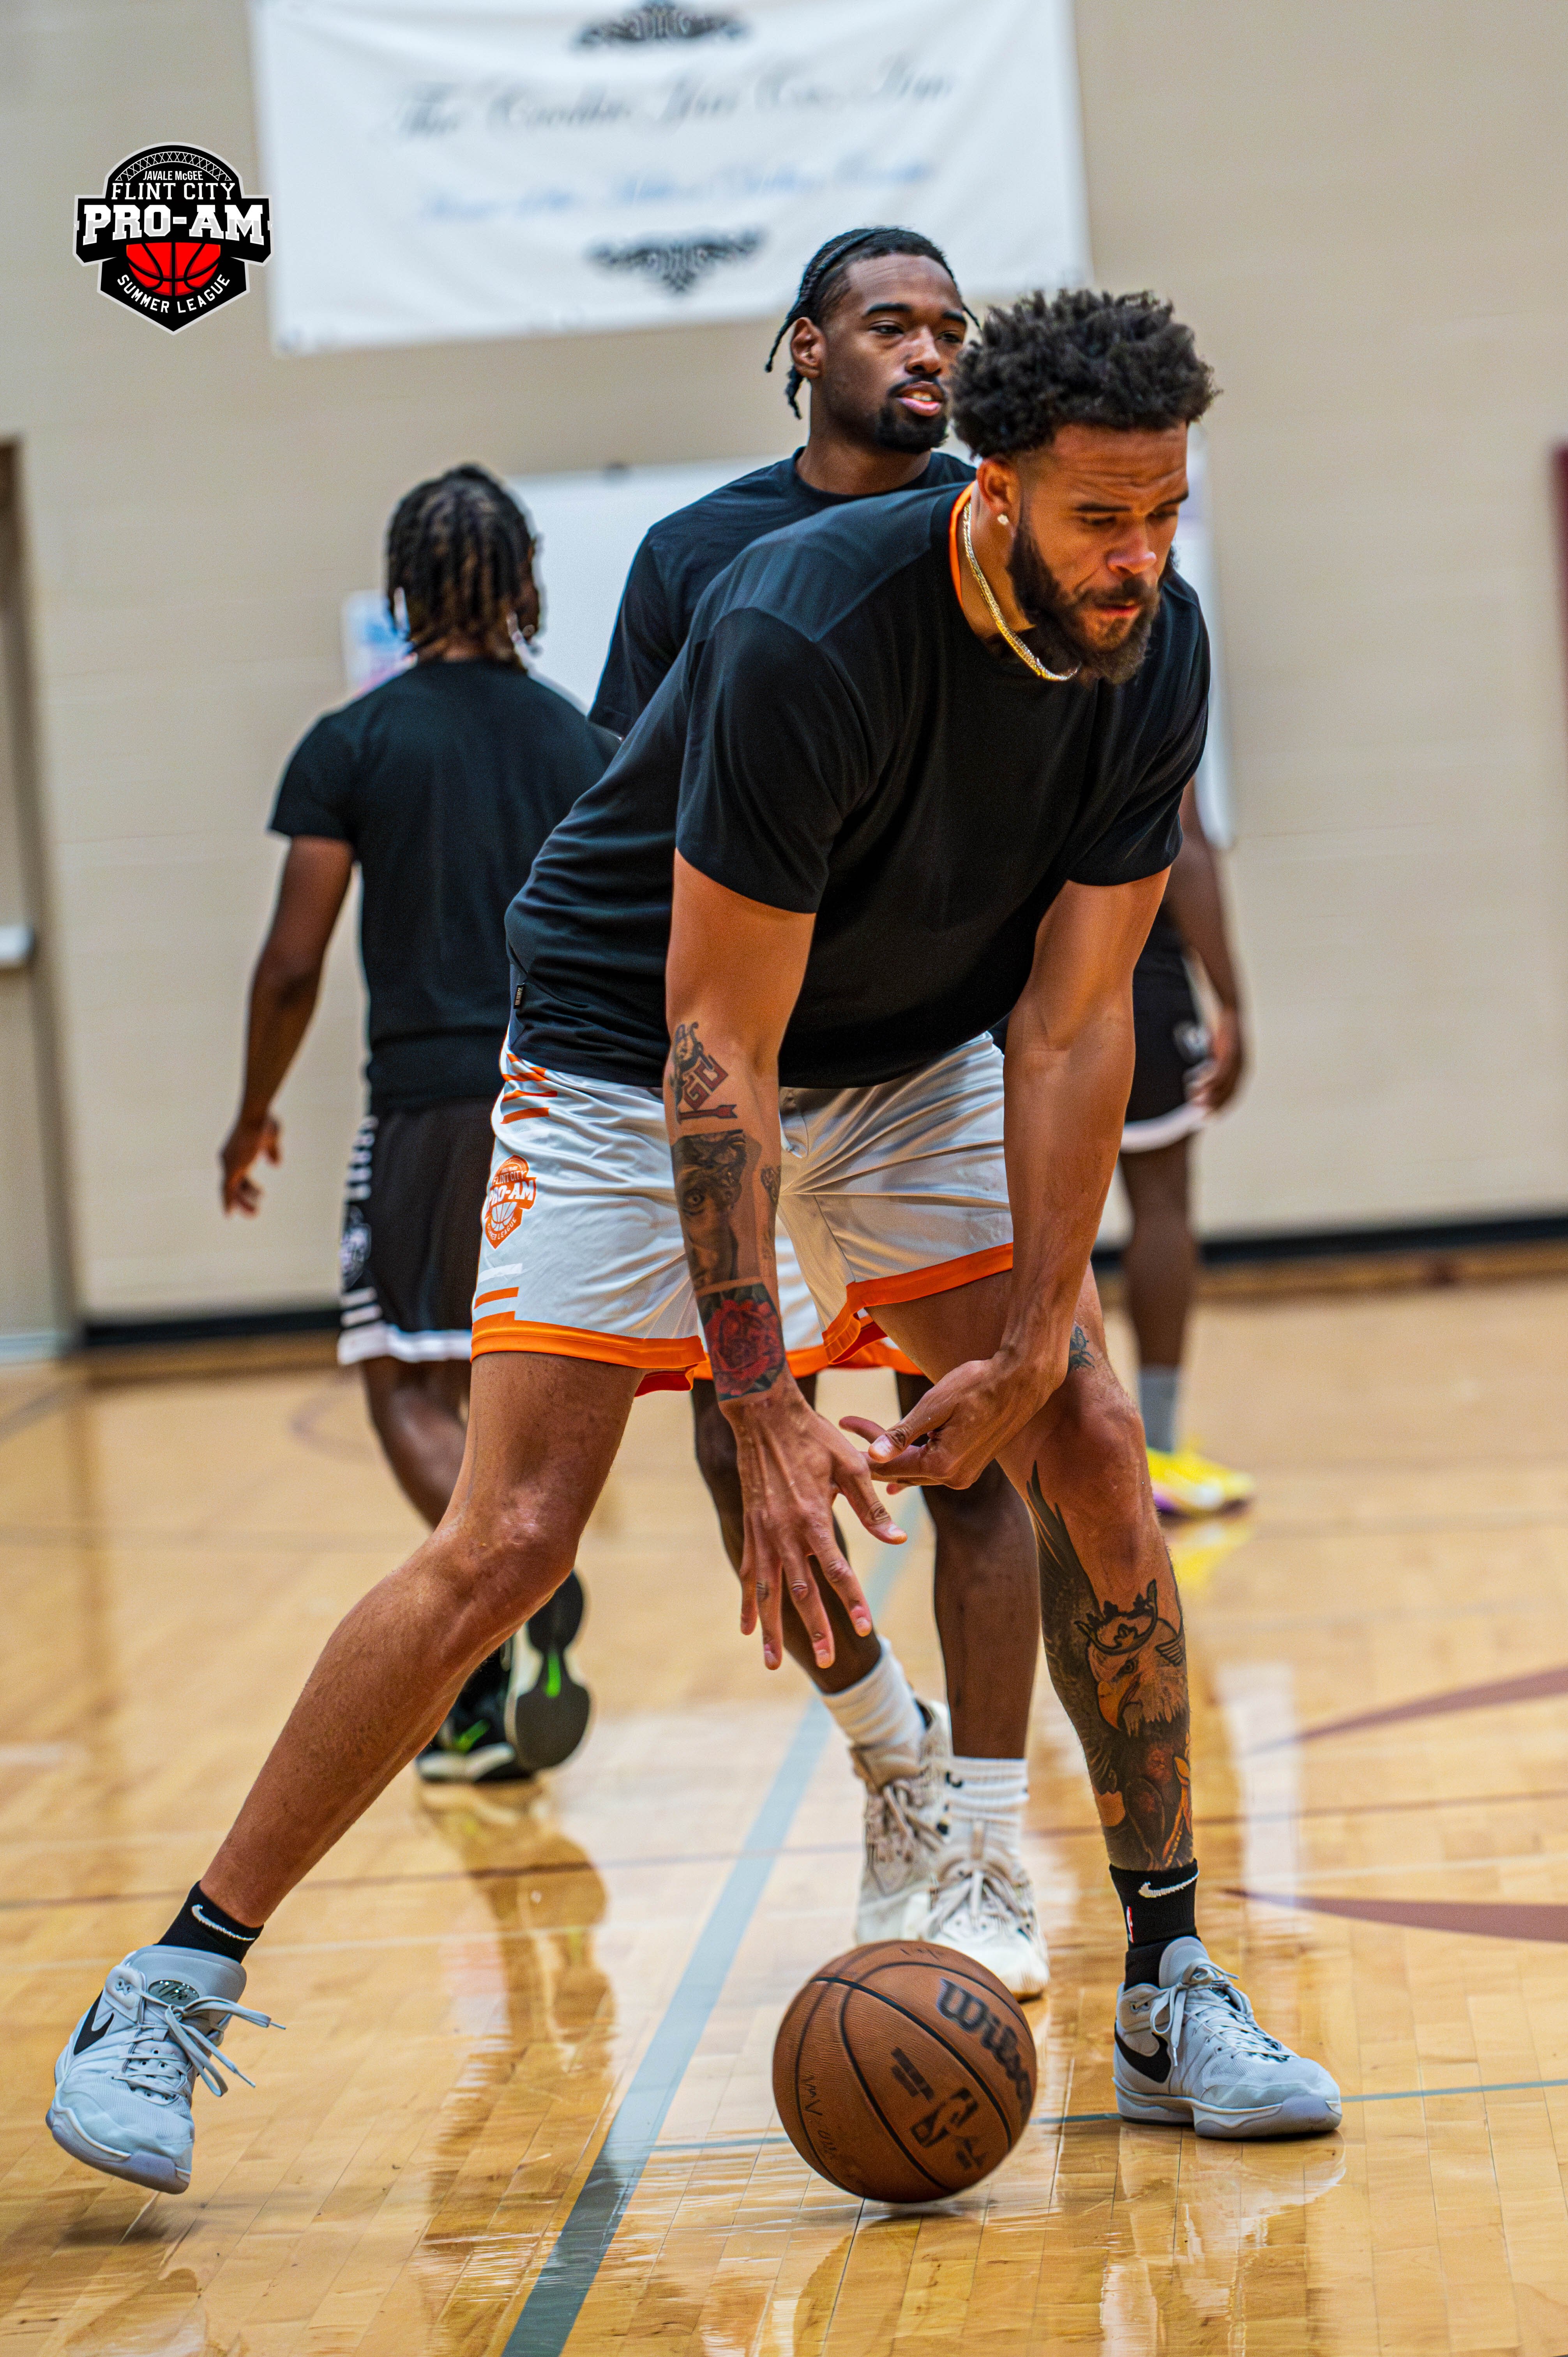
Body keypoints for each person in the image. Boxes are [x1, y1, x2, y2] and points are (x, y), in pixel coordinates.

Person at [48, 289, 1340, 2201]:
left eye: (1163, 512)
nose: (1137, 557)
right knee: (508, 1539)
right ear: (993, 489)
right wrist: (759, 1412)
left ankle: (1167, 1981)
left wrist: (1038, 1334)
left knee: (1082, 1443)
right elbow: (713, 1048)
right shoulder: (804, 625)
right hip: (621, 1040)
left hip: (911, 1056)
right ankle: (172, 1977)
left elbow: (1070, 1025)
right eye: (1098, 518)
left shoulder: (1153, 650)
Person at [592, 226, 1043, 1987]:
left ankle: (991, 1851)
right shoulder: (696, 556)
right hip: (745, 1068)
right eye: (886, 324)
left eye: (949, 327)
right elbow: (635, 830)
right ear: (801, 350)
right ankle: (892, 1769)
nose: (925, 352)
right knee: (737, 1435)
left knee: (978, 1436)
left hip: (925, 1055)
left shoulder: (987, 534)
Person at [218, 464, 606, 1790]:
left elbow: (289, 960)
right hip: (572, 1098)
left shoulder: (354, 743)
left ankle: (516, 1587)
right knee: (515, 1385)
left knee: (402, 1376)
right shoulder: (580, 739)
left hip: (434, 1095)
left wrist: (254, 1109)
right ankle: (486, 1690)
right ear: (527, 585)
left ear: (401, 592)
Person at [1118, 779, 1255, 1516]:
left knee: (1027, 1213)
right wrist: (1232, 998)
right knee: (1163, 1203)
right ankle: (1156, 1452)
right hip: (1131, 959)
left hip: (1014, 970)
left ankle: (1048, 1448)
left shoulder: (991, 661)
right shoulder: (1158, 659)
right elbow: (1189, 847)